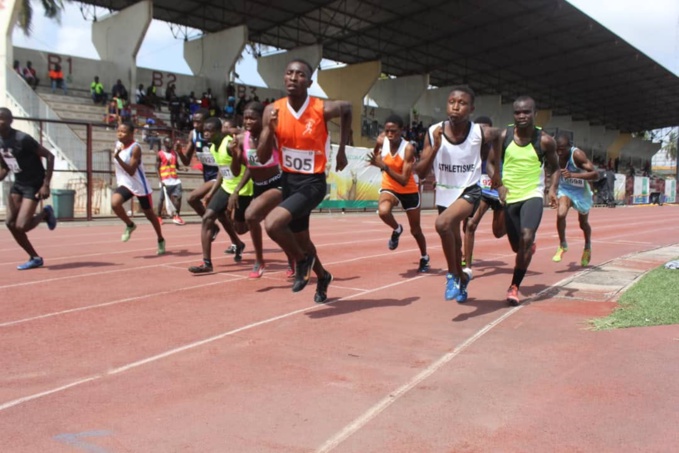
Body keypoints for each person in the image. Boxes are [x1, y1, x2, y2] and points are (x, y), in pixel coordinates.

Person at [257, 59, 351, 303]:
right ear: (283, 77)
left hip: (313, 182)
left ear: (309, 82)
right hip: (289, 181)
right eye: (289, 73)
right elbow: (262, 156)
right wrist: (268, 129)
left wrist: (342, 150)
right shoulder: (272, 110)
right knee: (303, 241)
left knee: (272, 224)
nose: (293, 77)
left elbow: (348, 107)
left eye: (300, 74)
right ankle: (323, 276)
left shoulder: (321, 108)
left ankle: (301, 261)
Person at [415, 86, 502, 303]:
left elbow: (500, 134)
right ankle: (462, 277)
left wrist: (493, 164)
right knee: (455, 244)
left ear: (471, 108)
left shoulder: (480, 133)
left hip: (469, 191)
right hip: (445, 193)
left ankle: (453, 274)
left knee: (442, 224)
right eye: (451, 101)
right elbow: (421, 171)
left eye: (461, 103)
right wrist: (435, 148)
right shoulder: (433, 131)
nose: (455, 106)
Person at [487, 96, 559, 306]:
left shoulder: (545, 141)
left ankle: (514, 286)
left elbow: (554, 168)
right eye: (518, 112)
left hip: (532, 195)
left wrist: (552, 189)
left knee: (526, 237)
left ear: (535, 114)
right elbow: (491, 163)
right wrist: (499, 185)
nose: (522, 116)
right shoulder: (503, 136)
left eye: (526, 112)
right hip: (510, 197)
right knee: (516, 246)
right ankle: (527, 247)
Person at [228, 101, 295, 278]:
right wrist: (235, 155)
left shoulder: (271, 136)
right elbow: (240, 170)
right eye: (245, 118)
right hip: (259, 187)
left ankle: (259, 260)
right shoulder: (242, 139)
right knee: (276, 227)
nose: (248, 121)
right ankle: (292, 257)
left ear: (262, 119)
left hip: (277, 183)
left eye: (252, 118)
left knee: (251, 215)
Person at [188, 117, 253, 273]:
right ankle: (207, 263)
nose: (206, 134)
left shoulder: (230, 145)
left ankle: (256, 217)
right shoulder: (212, 148)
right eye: (204, 131)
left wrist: (237, 191)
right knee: (207, 218)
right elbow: (221, 171)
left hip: (243, 190)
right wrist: (211, 192)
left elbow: (250, 167)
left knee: (240, 228)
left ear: (218, 132)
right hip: (226, 188)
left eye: (209, 131)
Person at [367, 114, 429, 273]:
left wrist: (385, 167)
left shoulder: (408, 148)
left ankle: (424, 257)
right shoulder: (383, 141)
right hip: (390, 186)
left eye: (393, 131)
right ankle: (396, 229)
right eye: (387, 130)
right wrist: (376, 154)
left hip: (408, 189)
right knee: (383, 211)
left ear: (402, 131)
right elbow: (376, 155)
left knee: (416, 230)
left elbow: (403, 179)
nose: (389, 134)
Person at [175, 110, 243, 252]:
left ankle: (213, 226)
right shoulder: (193, 135)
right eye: (194, 121)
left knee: (192, 198)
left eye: (199, 122)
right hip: (211, 175)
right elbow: (187, 162)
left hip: (221, 175)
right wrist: (180, 152)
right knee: (222, 216)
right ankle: (236, 242)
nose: (195, 125)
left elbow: (237, 133)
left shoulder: (221, 134)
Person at [0, 107, 57, 270]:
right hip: (18, 183)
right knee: (10, 223)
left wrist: (46, 184)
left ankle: (45, 213)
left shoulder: (22, 139)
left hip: (34, 183)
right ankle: (35, 257)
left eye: (2, 118)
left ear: (10, 121)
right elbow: (5, 167)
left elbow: (50, 156)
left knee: (22, 226)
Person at [110, 122, 166, 255]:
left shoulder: (135, 148)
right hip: (125, 184)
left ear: (131, 134)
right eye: (118, 131)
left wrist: (117, 157)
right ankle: (130, 225)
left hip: (140, 186)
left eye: (123, 132)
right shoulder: (118, 145)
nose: (119, 134)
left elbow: (131, 170)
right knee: (115, 203)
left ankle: (160, 239)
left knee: (150, 215)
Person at [461, 115, 507, 271]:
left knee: (498, 232)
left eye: (486, 128)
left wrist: (500, 185)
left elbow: (490, 165)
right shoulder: (470, 145)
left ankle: (514, 224)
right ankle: (467, 265)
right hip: (480, 191)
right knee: (469, 224)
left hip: (499, 191)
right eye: (479, 128)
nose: (482, 131)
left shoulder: (498, 145)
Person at [552, 132, 598, 266]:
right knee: (561, 214)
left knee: (583, 224)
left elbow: (595, 174)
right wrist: (552, 190)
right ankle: (562, 245)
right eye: (557, 149)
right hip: (565, 189)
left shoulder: (577, 154)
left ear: (570, 146)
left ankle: (587, 247)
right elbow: (554, 172)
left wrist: (573, 174)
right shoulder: (553, 154)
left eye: (562, 149)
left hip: (580, 192)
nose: (559, 152)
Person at [156, 137, 185, 225]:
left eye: (171, 143)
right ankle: (159, 217)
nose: (170, 144)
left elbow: (177, 166)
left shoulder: (174, 154)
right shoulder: (160, 154)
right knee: (161, 199)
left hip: (175, 180)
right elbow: (157, 168)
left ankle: (177, 215)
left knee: (178, 197)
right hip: (165, 180)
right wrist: (160, 180)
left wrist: (182, 169)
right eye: (168, 143)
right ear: (164, 143)